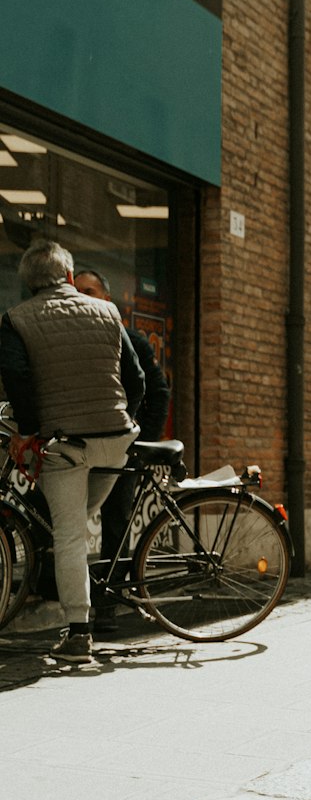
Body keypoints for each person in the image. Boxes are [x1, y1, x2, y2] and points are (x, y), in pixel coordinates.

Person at [0, 240, 144, 662]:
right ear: (67, 276)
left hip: (63, 445)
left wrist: (27, 432)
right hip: (115, 440)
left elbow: (16, 378)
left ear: (28, 284)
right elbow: (135, 380)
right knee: (78, 521)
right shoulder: (109, 312)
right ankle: (101, 594)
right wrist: (121, 419)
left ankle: (79, 633)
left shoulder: (14, 320)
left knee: (67, 535)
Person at [74, 267, 170, 632]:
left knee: (116, 526)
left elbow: (158, 392)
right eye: (77, 291)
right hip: (80, 445)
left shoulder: (130, 340)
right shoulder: (73, 342)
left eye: (90, 292)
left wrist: (144, 444)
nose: (83, 298)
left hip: (123, 449)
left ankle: (107, 608)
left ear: (107, 300)